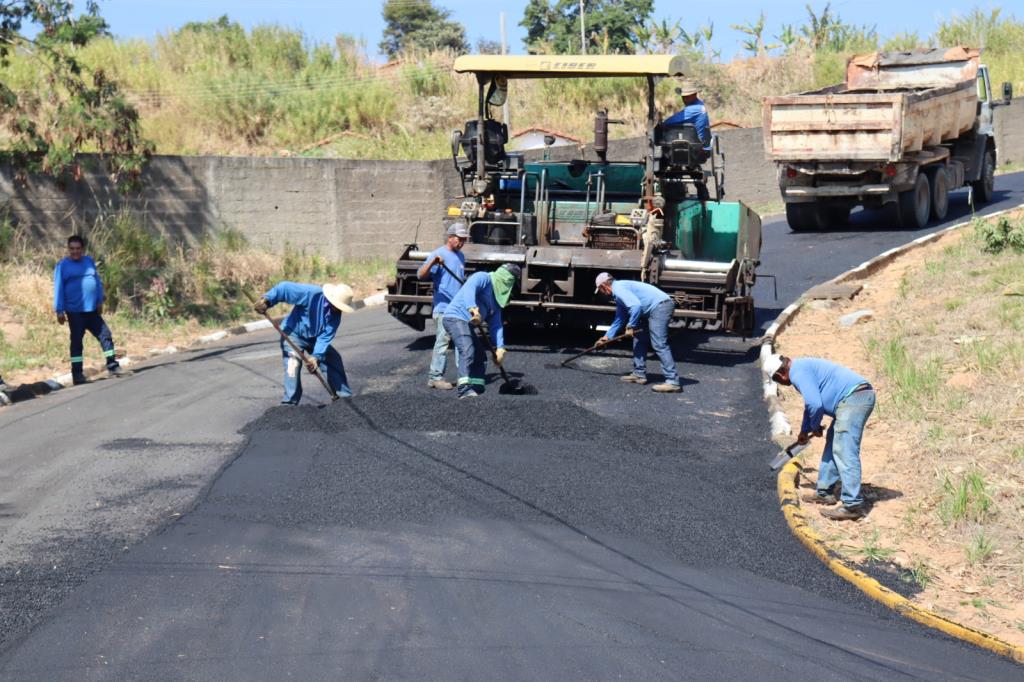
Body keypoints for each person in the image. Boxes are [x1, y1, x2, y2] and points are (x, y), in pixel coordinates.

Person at [764, 354, 876, 521]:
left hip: (855, 398)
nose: (782, 384)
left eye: (778, 381)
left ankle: (852, 505)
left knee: (845, 450)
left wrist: (815, 426)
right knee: (833, 443)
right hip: (850, 400)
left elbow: (815, 404)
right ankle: (824, 492)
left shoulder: (797, 373)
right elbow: (810, 405)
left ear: (780, 375)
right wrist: (805, 430)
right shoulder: (801, 368)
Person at [255, 281, 356, 405]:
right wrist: (267, 300)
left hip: (314, 338)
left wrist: (315, 357)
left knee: (333, 358)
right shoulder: (311, 294)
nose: (338, 309)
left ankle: (344, 396)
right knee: (293, 364)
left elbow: (325, 337)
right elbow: (285, 289)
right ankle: (289, 403)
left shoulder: (336, 314)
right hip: (293, 334)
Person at [441, 263, 519, 399]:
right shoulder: (483, 277)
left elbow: (496, 325)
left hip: (467, 324)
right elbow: (469, 289)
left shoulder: (497, 301)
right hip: (455, 317)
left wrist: (500, 347)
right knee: (467, 350)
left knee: (480, 355)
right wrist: (472, 308)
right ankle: (464, 389)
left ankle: (477, 386)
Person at [53, 235, 122, 385]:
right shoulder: (62, 266)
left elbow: (97, 282)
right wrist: (59, 310)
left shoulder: (89, 262)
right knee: (77, 342)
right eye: (72, 249)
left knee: (105, 335)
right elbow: (58, 288)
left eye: (78, 249)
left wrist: (99, 300)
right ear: (68, 249)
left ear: (82, 249)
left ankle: (112, 365)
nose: (75, 252)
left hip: (92, 310)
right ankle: (77, 374)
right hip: (75, 311)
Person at [595, 273, 681, 393]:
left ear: (604, 286)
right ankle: (639, 374)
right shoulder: (619, 293)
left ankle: (673, 382)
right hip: (652, 309)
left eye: (600, 290)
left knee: (659, 343)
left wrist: (631, 326)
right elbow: (619, 319)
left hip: (660, 307)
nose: (601, 293)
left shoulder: (619, 288)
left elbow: (636, 306)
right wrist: (606, 337)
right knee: (639, 339)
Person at [418, 222, 468, 390]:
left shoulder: (460, 256)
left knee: (462, 343)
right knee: (443, 343)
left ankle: (464, 377)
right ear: (450, 237)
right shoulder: (438, 254)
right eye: (459, 239)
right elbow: (420, 275)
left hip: (458, 309)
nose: (462, 242)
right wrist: (432, 263)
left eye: (464, 240)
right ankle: (435, 377)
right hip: (444, 308)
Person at [664, 79, 710, 148]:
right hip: (701, 142)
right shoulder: (700, 104)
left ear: (694, 95)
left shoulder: (692, 109)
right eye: (683, 96)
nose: (684, 99)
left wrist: (663, 124)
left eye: (687, 96)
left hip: (696, 146)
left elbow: (668, 122)